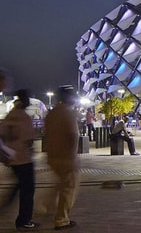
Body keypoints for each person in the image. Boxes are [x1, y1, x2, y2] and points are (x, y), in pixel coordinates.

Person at [0, 89, 41, 230]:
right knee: (28, 191)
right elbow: (29, 141)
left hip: (13, 158)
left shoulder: (10, 115)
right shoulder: (24, 117)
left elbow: (2, 133)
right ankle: (24, 220)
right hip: (24, 159)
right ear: (24, 100)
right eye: (28, 98)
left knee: (19, 186)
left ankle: (5, 206)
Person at [44, 86, 80, 230]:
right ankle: (61, 219)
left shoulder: (52, 113)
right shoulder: (68, 113)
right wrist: (73, 157)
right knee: (69, 188)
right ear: (68, 97)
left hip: (53, 155)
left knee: (61, 185)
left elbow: (45, 134)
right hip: (66, 157)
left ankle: (47, 207)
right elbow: (72, 136)